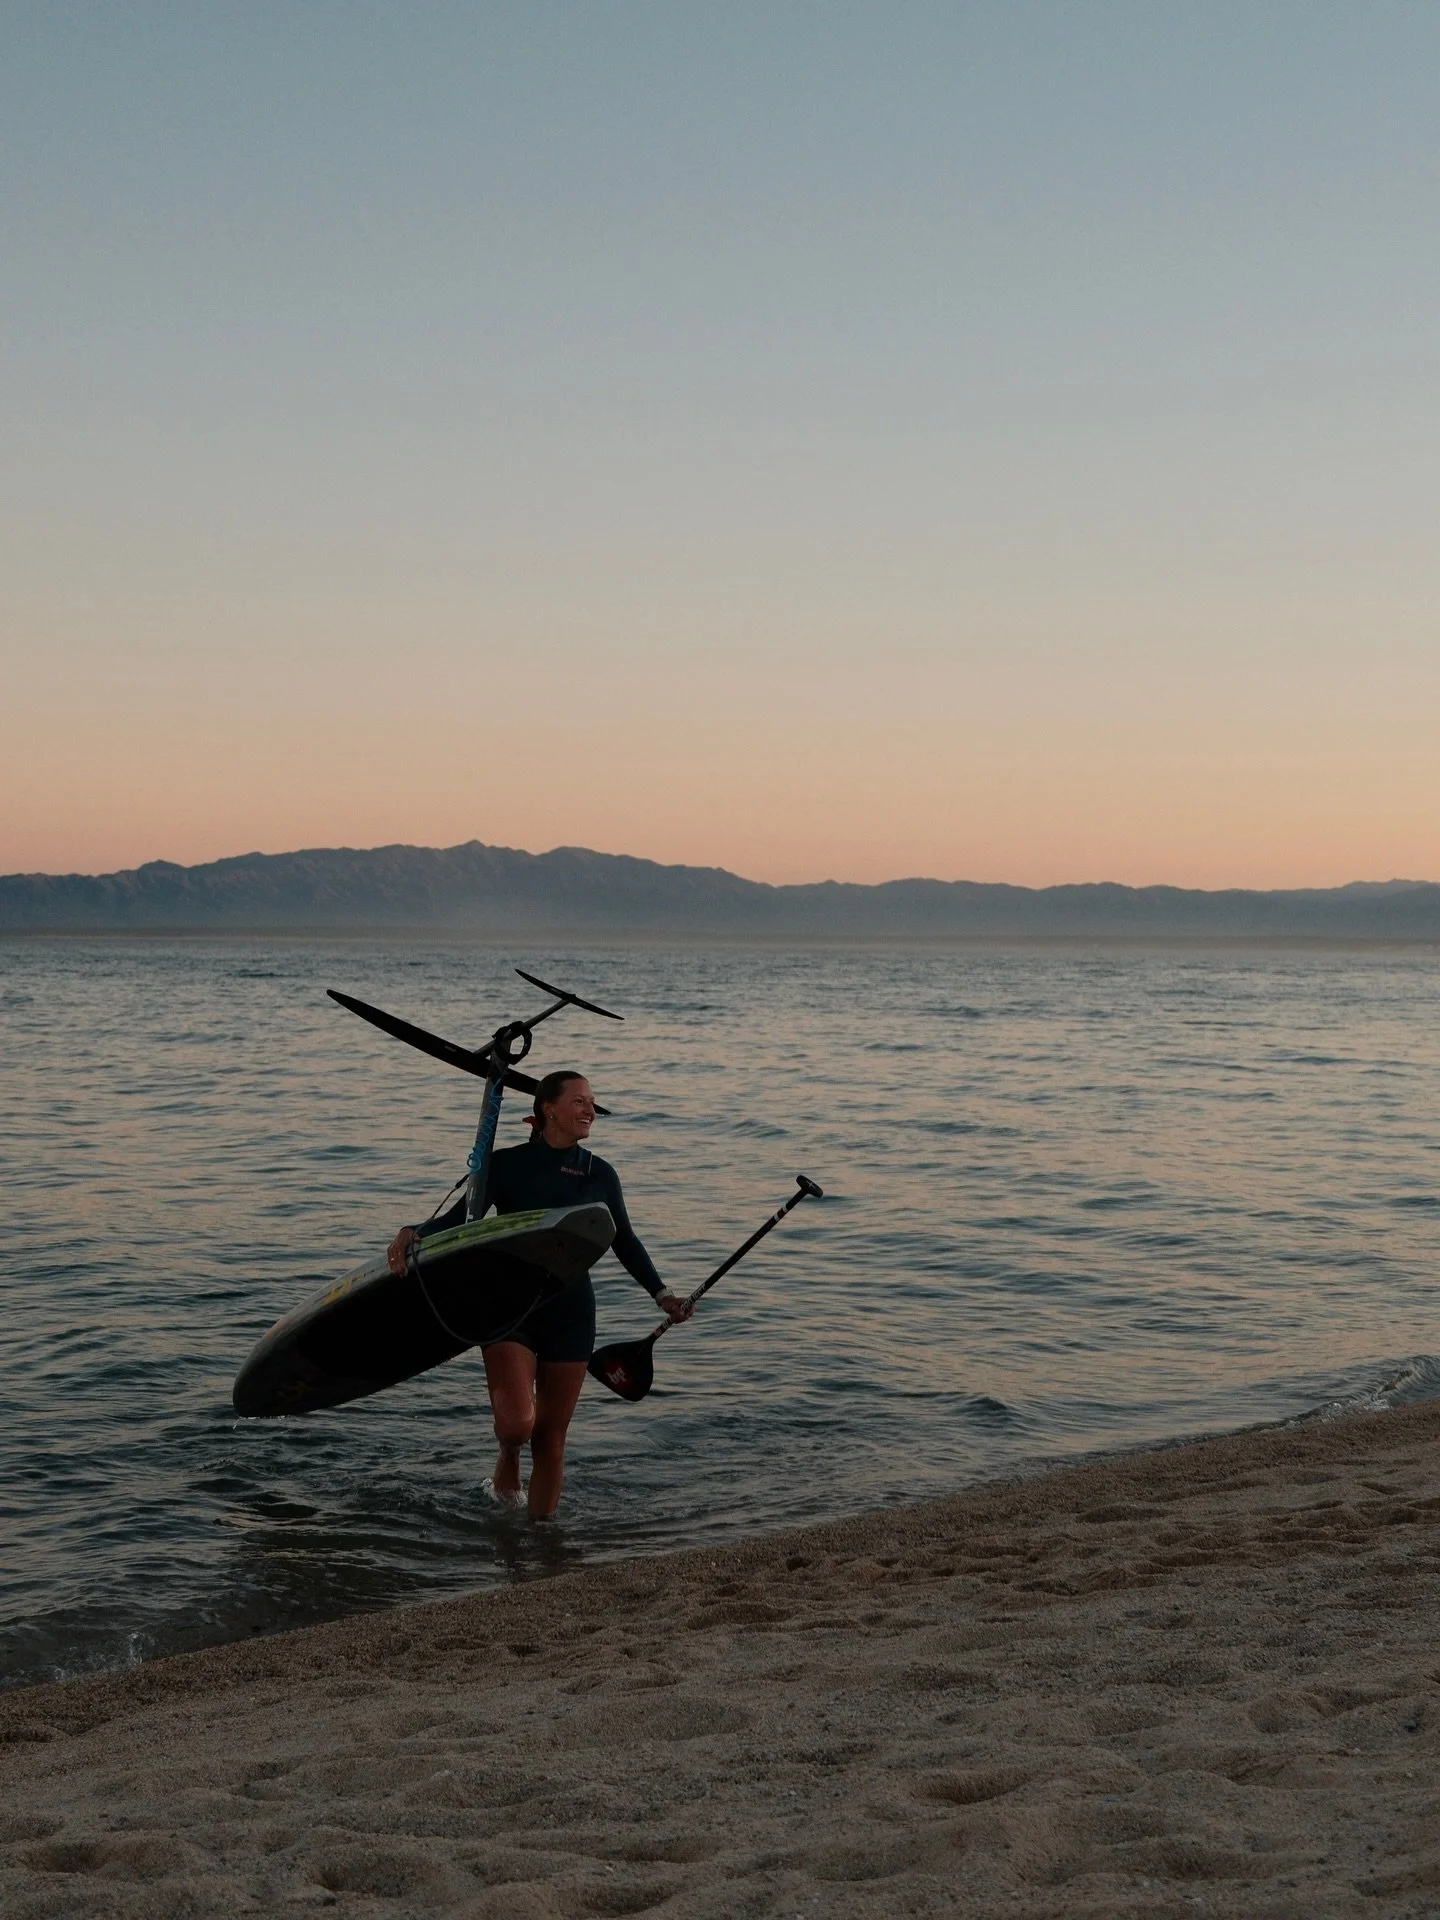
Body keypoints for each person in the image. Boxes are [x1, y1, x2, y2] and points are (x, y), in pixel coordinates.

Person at [387, 1070, 690, 1519]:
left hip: (571, 1310)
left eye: (592, 1102)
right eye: (580, 1101)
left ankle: (543, 1541)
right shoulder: (507, 1166)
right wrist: (412, 1232)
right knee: (516, 1427)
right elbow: (459, 1221)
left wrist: (662, 1294)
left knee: (550, 1438)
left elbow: (623, 1239)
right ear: (549, 1108)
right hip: (508, 1308)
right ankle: (508, 1456)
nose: (590, 1109)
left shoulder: (599, 1173)